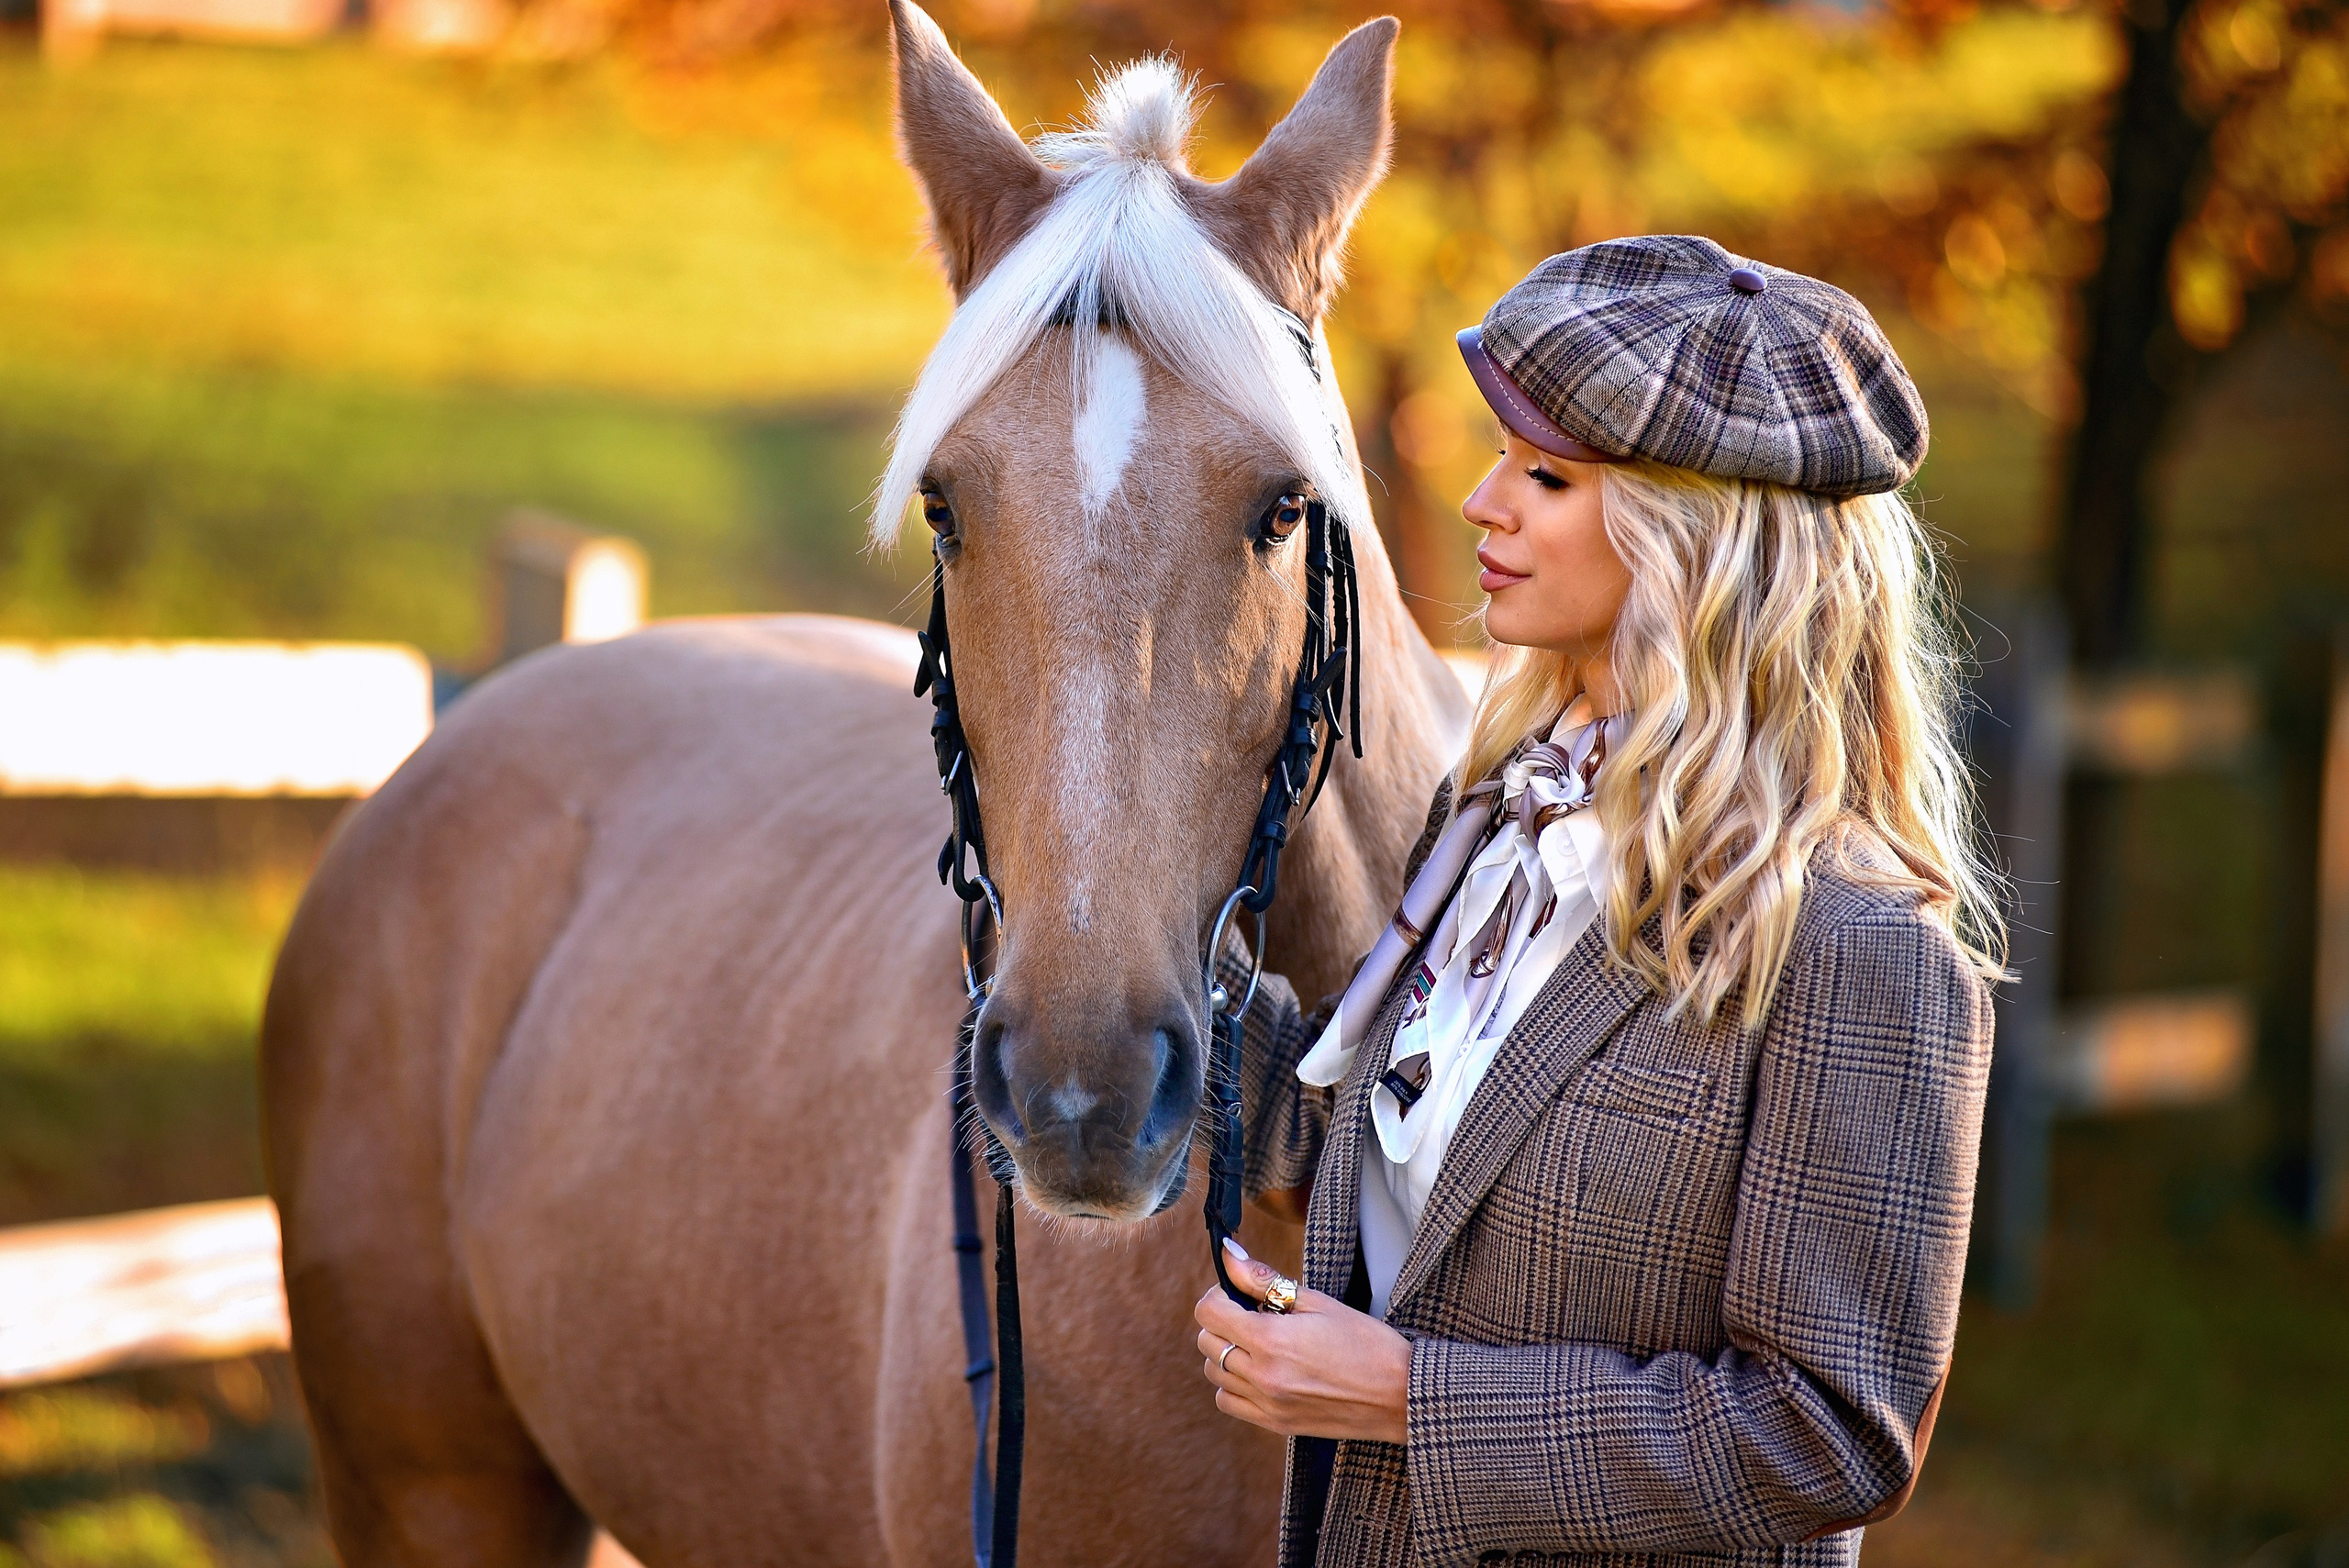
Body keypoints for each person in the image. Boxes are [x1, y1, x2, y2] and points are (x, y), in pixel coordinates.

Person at [1193, 234, 2003, 1568]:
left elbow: (1830, 1435)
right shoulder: (1502, 822)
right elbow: (1382, 1148)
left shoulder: (1860, 952)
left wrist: (1402, 1399)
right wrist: (1117, 965)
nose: (1481, 502)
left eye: (1548, 474)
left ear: (1698, 543)